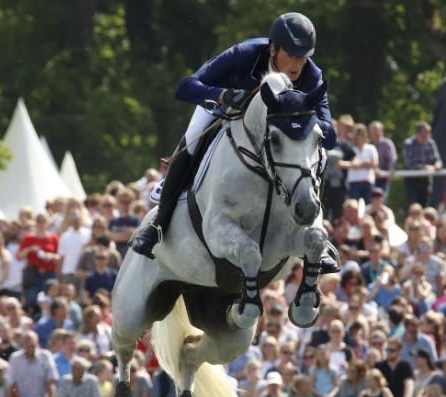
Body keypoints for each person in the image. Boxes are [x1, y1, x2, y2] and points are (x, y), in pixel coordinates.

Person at [130, 12, 338, 276]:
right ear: (273, 48)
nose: (298, 64)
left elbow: (330, 135)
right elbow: (185, 87)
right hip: (225, 110)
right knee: (192, 140)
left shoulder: (311, 75)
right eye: (292, 55)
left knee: (316, 152)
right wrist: (221, 94)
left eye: (303, 56)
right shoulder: (244, 54)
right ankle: (158, 224)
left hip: (275, 132)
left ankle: (319, 234)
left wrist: (312, 121)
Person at [403, 121, 442, 207]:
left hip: (426, 180)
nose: (426, 136)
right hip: (412, 181)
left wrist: (437, 165)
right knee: (413, 206)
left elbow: (437, 159)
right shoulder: (408, 144)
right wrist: (424, 167)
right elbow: (409, 163)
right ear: (417, 133)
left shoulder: (431, 143)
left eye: (428, 134)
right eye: (424, 134)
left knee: (425, 205)